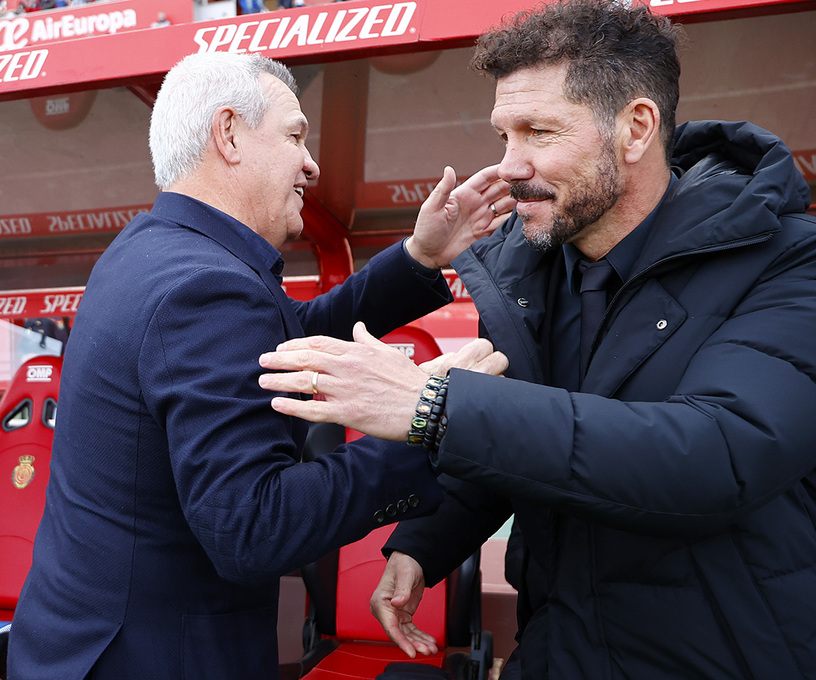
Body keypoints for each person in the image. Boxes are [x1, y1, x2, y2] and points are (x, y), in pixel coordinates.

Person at [256, 1, 816, 678]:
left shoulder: (804, 264)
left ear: (636, 128)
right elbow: (534, 446)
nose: (509, 165)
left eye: (539, 132)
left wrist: (437, 407)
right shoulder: (533, 273)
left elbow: (716, 457)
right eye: (503, 134)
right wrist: (422, 547)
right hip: (565, 651)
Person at [6, 51, 509, 680]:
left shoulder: (147, 249)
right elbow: (253, 528)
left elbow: (277, 343)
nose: (311, 161)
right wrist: (428, 420)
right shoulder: (206, 286)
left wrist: (417, 256)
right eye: (296, 134)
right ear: (229, 134)